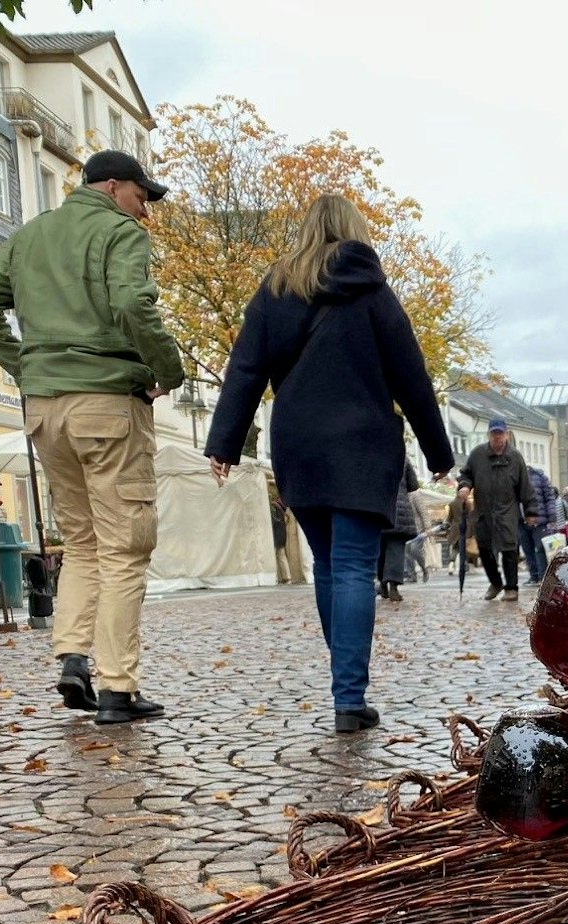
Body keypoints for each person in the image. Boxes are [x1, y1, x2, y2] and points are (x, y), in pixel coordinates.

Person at [204, 193, 453, 733]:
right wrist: (439, 454)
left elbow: (244, 368)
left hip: (299, 444)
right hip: (362, 445)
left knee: (327, 565)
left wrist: (224, 443)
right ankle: (349, 697)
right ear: (354, 229)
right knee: (355, 568)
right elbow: (412, 378)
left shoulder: (276, 289)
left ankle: (345, 691)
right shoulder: (374, 293)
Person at [0, 149, 185, 726]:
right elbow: (133, 302)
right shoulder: (120, 233)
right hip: (107, 400)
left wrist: (24, 366)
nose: (145, 210)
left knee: (82, 542)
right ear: (112, 187)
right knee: (125, 545)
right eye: (141, 196)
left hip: (45, 409)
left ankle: (73, 656)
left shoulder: (31, 236)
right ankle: (118, 688)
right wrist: (168, 369)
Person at [458, 420, 536, 602]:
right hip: (483, 512)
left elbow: (525, 486)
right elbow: (466, 474)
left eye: (500, 434)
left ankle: (511, 588)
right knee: (485, 550)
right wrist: (464, 486)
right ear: (489, 435)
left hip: (507, 511)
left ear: (507, 435)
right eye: (494, 434)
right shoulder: (478, 454)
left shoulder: (515, 457)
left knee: (509, 550)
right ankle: (495, 583)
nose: (497, 437)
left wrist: (531, 511)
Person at [379, 460, 420, 602]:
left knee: (381, 549)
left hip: (379, 508)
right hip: (400, 512)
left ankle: (382, 583)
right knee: (396, 549)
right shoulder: (403, 458)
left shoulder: (371, 452)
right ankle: (393, 587)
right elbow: (413, 485)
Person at [520, 463, 560, 582]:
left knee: (540, 549)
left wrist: (552, 518)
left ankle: (542, 576)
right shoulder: (514, 477)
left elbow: (549, 498)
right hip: (521, 521)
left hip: (539, 520)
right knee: (527, 550)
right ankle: (534, 575)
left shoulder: (540, 476)